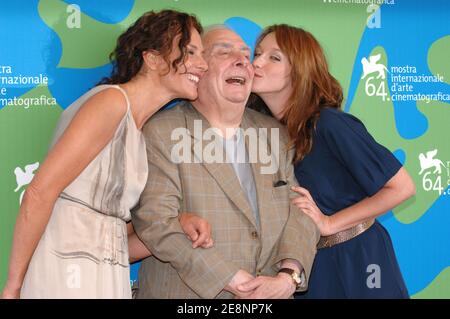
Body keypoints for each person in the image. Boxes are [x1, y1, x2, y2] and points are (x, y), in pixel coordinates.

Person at [1, 10, 213, 299]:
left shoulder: (138, 133)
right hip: (64, 274)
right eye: (190, 52)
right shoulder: (111, 103)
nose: (203, 65)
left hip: (106, 278)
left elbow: (112, 239)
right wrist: (14, 286)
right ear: (151, 58)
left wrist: (176, 226)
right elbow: (40, 192)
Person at [131, 25, 320, 299]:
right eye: (224, 52)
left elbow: (299, 210)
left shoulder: (274, 133)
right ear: (198, 67)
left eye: (245, 54)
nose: (243, 60)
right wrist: (234, 280)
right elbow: (157, 223)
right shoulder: (161, 132)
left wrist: (288, 276)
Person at [250, 24, 416, 298]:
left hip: (360, 260)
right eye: (257, 54)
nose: (256, 63)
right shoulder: (263, 134)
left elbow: (402, 187)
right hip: (309, 266)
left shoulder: (329, 124)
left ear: (300, 70)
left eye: (274, 57)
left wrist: (329, 223)